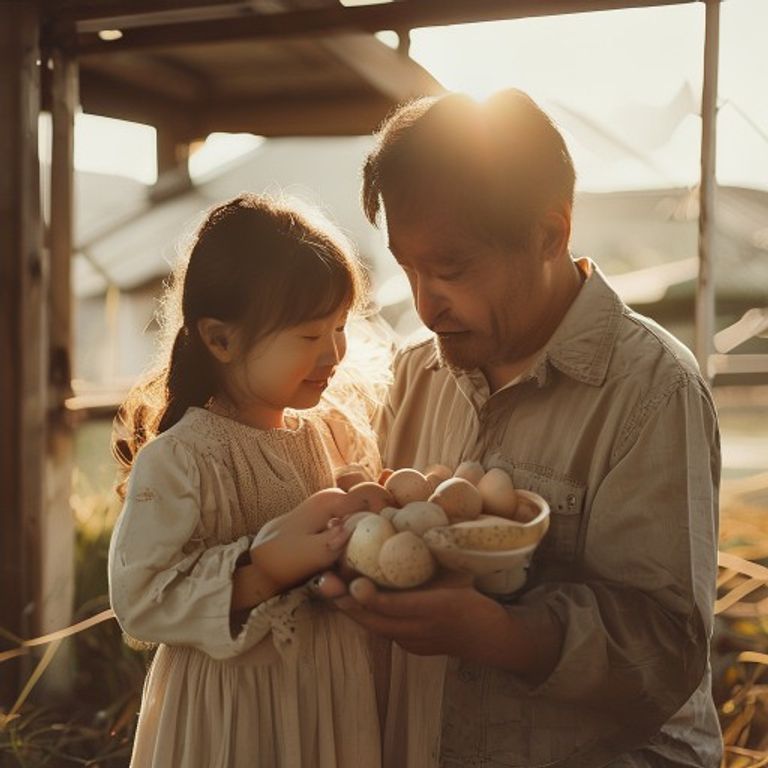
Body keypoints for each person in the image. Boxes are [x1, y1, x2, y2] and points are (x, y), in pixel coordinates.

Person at [326, 90, 722, 767]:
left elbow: (666, 649)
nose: (424, 304)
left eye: (449, 269)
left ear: (550, 232)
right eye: (407, 268)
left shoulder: (653, 390)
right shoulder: (417, 373)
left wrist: (501, 633)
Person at [108, 193, 390, 768]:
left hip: (323, 703)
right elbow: (139, 599)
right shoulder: (185, 458)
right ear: (221, 339)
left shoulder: (324, 436)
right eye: (310, 336)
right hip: (234, 718)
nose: (334, 351)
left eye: (339, 328)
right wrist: (259, 570)